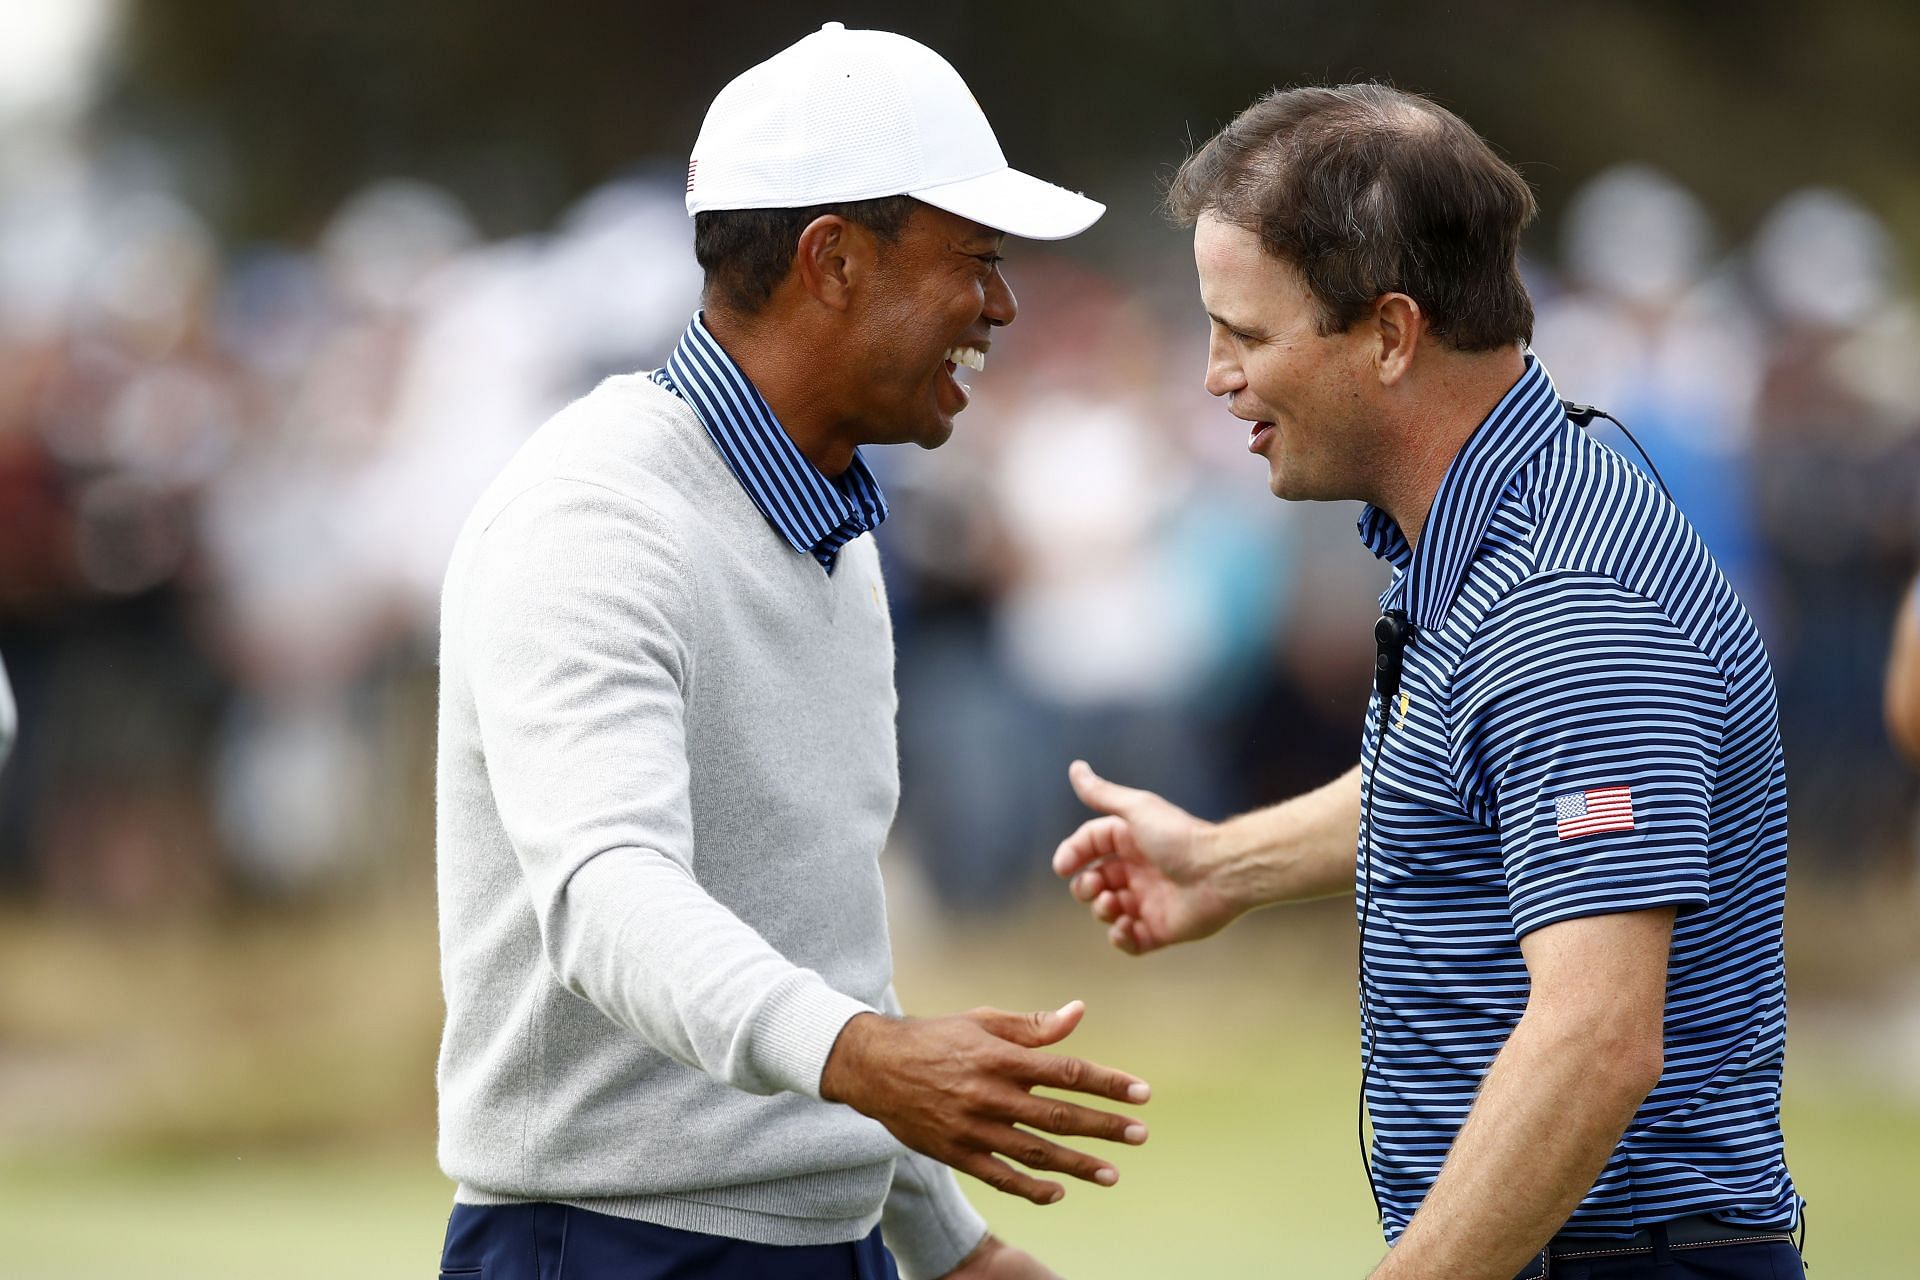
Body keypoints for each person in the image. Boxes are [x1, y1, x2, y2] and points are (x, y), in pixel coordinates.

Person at [434, 24, 1149, 1280]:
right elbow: (608, 896)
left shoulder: (831, 525)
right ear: (832, 261)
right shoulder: (594, 518)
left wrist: (948, 1243)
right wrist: (875, 1062)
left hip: (828, 1239)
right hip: (606, 1246)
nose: (1001, 304)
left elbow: (816, 949)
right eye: (974, 259)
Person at [1052, 85, 1804, 1280]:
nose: (1212, 377)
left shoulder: (1569, 600)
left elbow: (1597, 1034)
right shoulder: (1496, 527)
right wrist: (1225, 862)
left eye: (1244, 334)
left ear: (1392, 335)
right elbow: (1485, 784)